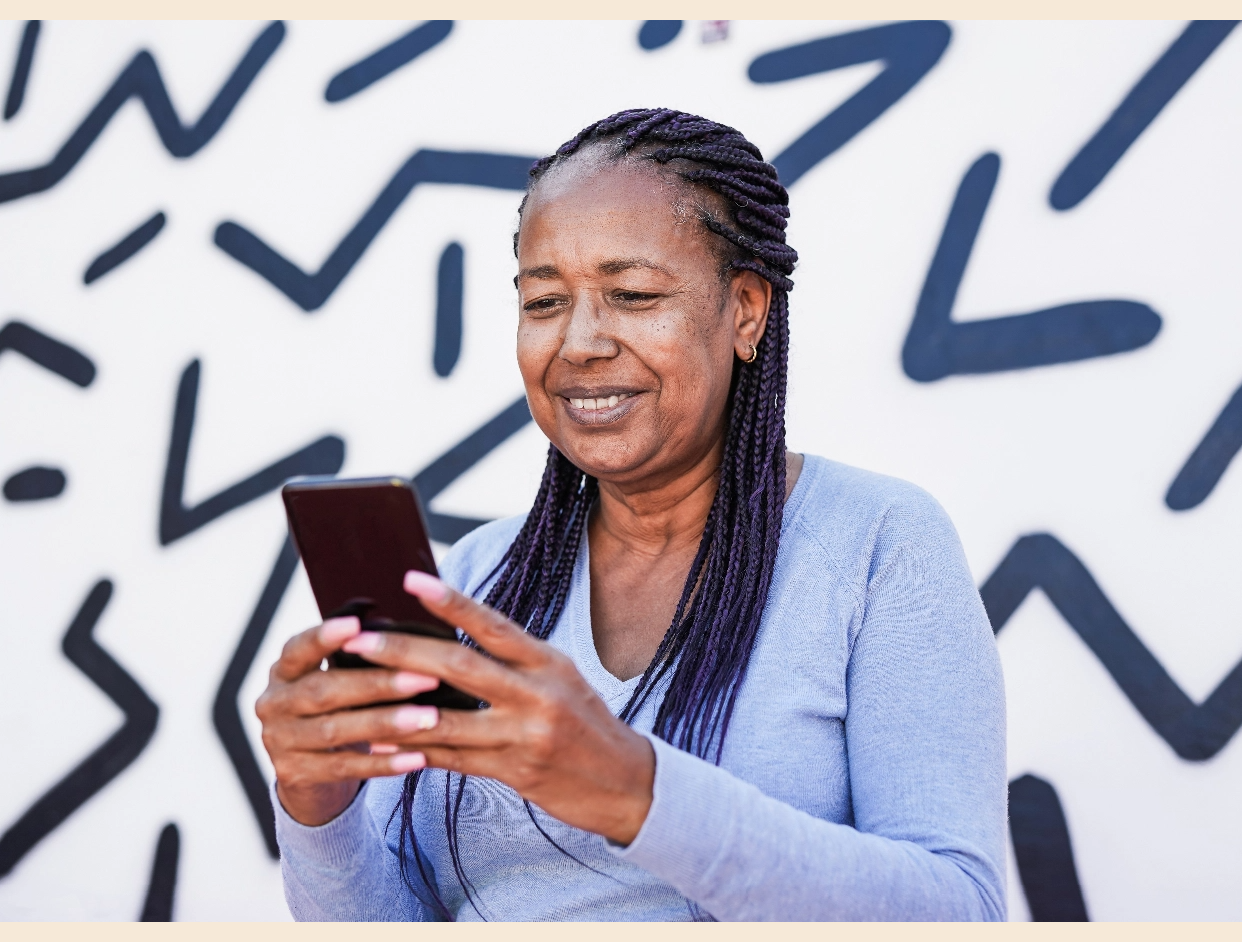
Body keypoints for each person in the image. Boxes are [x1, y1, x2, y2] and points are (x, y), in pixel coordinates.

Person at [255, 108, 1007, 921]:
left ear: (746, 309)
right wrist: (317, 806)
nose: (579, 342)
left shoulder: (877, 545)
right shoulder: (474, 581)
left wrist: (634, 790)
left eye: (634, 294)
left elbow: (957, 912)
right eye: (544, 302)